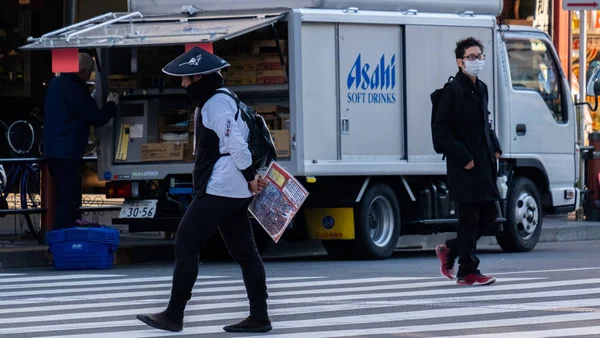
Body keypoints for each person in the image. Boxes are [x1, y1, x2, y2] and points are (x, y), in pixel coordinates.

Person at [136, 46, 272, 333]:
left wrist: (249, 176)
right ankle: (260, 315)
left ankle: (174, 314)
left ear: (199, 78)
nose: (183, 84)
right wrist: (247, 178)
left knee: (185, 242)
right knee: (246, 253)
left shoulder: (214, 104)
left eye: (186, 79)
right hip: (232, 188)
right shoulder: (224, 98)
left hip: (222, 186)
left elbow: (235, 143)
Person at [432, 37, 502, 286]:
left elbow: (486, 122)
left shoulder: (481, 88)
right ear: (460, 62)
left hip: (483, 162)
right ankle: (468, 270)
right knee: (469, 218)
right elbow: (442, 131)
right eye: (471, 57)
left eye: (480, 57)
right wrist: (463, 156)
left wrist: (495, 146)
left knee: (491, 213)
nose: (476, 61)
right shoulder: (453, 91)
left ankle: (451, 250)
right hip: (463, 165)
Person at [44, 52, 118, 230]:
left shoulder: (56, 84)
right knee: (69, 200)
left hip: (53, 151)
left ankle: (64, 240)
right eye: (89, 73)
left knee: (64, 197)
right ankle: (62, 242)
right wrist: (112, 104)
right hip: (68, 152)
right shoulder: (75, 88)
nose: (89, 78)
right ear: (83, 71)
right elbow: (96, 117)